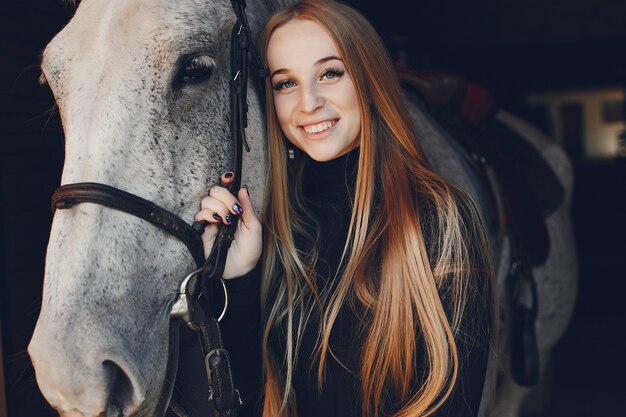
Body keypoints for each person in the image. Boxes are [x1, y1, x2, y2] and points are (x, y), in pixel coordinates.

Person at [194, 1, 496, 416]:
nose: (308, 103)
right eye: (286, 84)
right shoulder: (279, 233)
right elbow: (244, 404)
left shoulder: (441, 217)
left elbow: (451, 405)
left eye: (330, 73)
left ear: (369, 78)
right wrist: (240, 277)